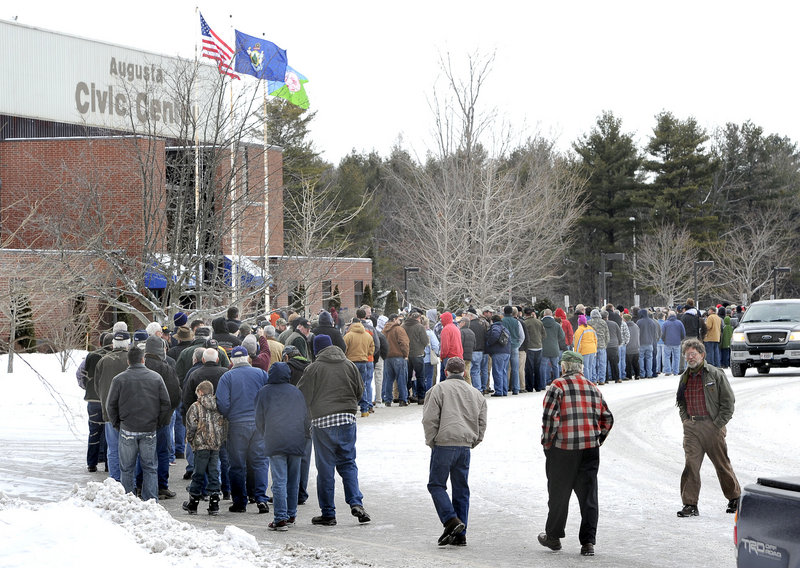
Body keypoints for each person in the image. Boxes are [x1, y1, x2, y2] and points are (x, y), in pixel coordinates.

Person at [538, 350, 614, 557]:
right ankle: (588, 542)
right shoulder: (593, 388)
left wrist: (547, 444)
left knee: (558, 495)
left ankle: (553, 537)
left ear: (563, 367)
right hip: (589, 450)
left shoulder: (558, 386)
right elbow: (607, 418)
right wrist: (597, 439)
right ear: (581, 368)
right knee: (589, 496)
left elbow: (549, 419)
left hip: (563, 450)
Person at [297, 335, 371, 526]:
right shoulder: (349, 365)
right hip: (347, 419)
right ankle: (356, 502)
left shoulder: (313, 368)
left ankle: (328, 513)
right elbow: (360, 391)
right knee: (348, 462)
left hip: (322, 422)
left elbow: (302, 396)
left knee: (325, 469)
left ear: (316, 350)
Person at [422, 357, 487, 547]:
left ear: (446, 372)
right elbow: (482, 421)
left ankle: (451, 520)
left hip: (444, 443)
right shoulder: (476, 393)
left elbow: (429, 419)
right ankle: (460, 534)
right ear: (464, 373)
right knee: (461, 489)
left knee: (436, 485)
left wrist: (432, 440)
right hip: (465, 445)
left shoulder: (438, 390)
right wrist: (475, 440)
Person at [675, 338, 741, 517]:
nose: (690, 357)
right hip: (692, 428)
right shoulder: (685, 377)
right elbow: (681, 402)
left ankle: (735, 499)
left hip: (712, 427)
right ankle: (690, 504)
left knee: (721, 464)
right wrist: (685, 420)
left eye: (693, 354)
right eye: (687, 355)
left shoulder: (715, 374)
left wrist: (718, 424)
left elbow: (728, 402)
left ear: (702, 355)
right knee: (691, 465)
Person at [105, 346, 172, 501]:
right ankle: (151, 500)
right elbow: (165, 403)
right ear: (143, 359)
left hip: (127, 428)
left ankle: (129, 499)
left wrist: (117, 424)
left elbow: (111, 405)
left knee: (127, 468)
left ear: (128, 361)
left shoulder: (119, 379)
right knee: (150, 467)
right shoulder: (156, 378)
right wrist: (158, 422)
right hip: (149, 428)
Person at [255, 362, 310, 531]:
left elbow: (259, 418)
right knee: (293, 480)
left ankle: (280, 518)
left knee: (279, 480)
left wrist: (265, 434)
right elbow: (305, 416)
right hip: (296, 439)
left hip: (275, 439)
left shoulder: (264, 392)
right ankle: (291, 514)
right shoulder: (296, 392)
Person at [216, 346, 270, 513]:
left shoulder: (227, 377)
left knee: (237, 464)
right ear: (248, 358)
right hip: (258, 423)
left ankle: (240, 502)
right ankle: (261, 498)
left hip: (237, 424)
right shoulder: (261, 374)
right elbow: (269, 396)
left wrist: (229, 415)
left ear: (231, 360)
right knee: (260, 461)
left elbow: (222, 403)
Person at [184, 380, 228, 515]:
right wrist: (221, 440)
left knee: (198, 473)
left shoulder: (195, 407)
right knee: (214, 472)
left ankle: (193, 503)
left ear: (201, 392)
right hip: (215, 445)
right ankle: (214, 503)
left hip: (201, 444)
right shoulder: (219, 406)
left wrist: (190, 439)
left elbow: (191, 426)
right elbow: (224, 424)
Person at [485, 315, 511, 396]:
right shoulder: (504, 328)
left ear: (492, 320)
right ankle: (504, 390)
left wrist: (489, 343)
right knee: (503, 371)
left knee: (497, 372)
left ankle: (499, 391)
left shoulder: (496, 327)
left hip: (498, 352)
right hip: (506, 352)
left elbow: (495, 335)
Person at [573, 315, 598, 383]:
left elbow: (577, 343)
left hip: (585, 350)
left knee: (586, 367)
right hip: (592, 349)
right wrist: (595, 349)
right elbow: (595, 339)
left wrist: (576, 353)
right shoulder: (591, 328)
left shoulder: (579, 330)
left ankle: (587, 382)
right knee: (590, 367)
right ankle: (591, 380)